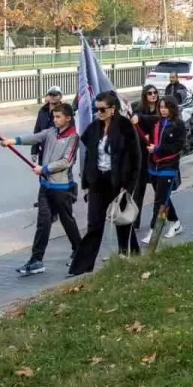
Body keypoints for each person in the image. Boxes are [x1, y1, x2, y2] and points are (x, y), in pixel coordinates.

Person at [1, 102, 82, 277]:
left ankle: (79, 251)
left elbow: (66, 162)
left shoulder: (73, 137)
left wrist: (44, 169)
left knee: (67, 221)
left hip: (62, 188)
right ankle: (36, 260)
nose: (55, 119)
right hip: (45, 187)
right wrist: (13, 141)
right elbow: (35, 137)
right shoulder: (51, 132)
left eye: (58, 117)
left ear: (68, 118)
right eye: (54, 116)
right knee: (43, 223)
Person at [69, 91, 143, 276]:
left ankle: (129, 255)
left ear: (113, 109)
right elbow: (88, 157)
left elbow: (136, 158)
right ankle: (82, 266)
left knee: (122, 220)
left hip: (118, 182)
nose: (99, 113)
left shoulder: (125, 127)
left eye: (102, 109)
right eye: (96, 109)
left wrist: (129, 185)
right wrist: (86, 182)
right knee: (94, 224)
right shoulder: (94, 128)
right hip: (97, 181)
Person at [143, 97, 187, 241]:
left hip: (169, 166)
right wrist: (135, 117)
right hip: (154, 166)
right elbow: (143, 119)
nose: (162, 109)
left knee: (159, 201)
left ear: (172, 108)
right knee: (164, 198)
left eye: (166, 107)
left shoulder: (178, 125)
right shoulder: (157, 122)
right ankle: (176, 223)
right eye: (161, 107)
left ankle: (153, 231)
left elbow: (178, 146)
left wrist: (158, 149)